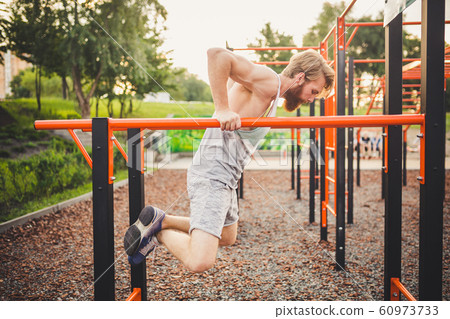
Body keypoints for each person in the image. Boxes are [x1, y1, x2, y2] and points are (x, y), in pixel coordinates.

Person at [123, 48, 335, 273]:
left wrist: (228, 105)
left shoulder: (267, 91)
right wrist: (221, 109)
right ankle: (157, 234)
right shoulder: (268, 82)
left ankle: (161, 220)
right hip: (213, 174)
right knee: (200, 261)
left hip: (227, 178)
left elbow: (232, 83)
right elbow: (217, 55)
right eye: (313, 91)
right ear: (300, 77)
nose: (312, 99)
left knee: (227, 235)